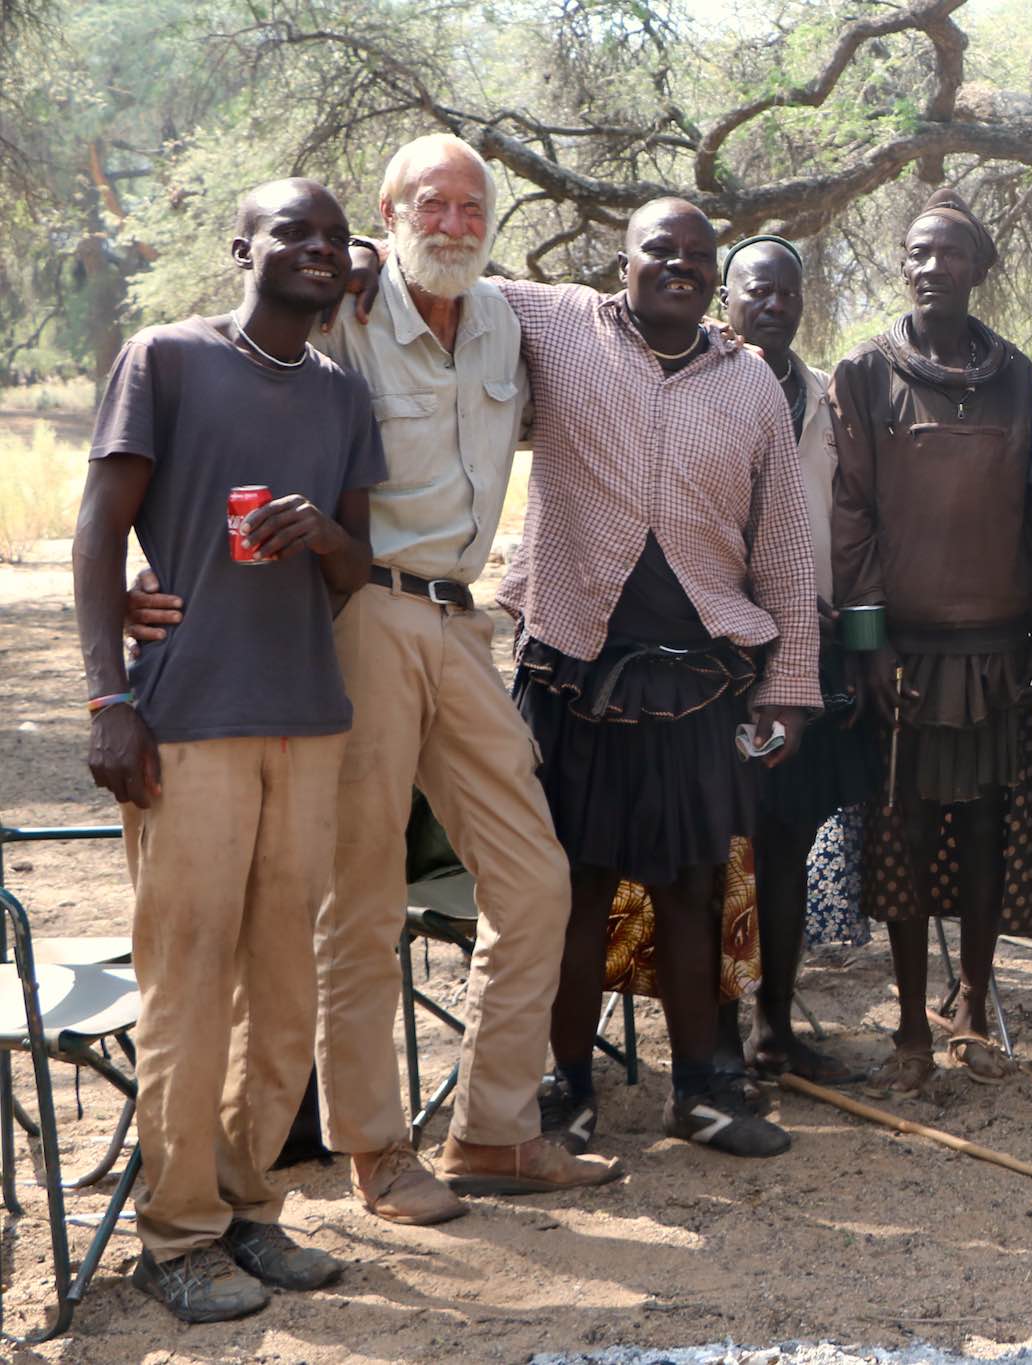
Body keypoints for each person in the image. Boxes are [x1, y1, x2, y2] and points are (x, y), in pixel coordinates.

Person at [117, 136, 621, 1224]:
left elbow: (611, 309)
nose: (449, 222)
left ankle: (492, 1131)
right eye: (426, 205)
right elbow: (226, 388)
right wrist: (133, 581)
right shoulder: (343, 304)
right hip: (359, 612)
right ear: (385, 221)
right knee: (363, 899)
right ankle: (376, 1151)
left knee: (536, 879)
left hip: (460, 618)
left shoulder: (506, 317)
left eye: (469, 205)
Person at [75, 178, 382, 1322]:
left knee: (282, 987)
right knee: (190, 983)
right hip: (187, 721)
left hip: (305, 717)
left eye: (333, 237)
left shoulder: (345, 395)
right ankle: (177, 1232)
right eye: (291, 231)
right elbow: (101, 531)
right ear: (242, 247)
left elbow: (359, 573)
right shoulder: (166, 359)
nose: (314, 248)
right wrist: (111, 698)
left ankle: (252, 1212)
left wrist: (328, 536)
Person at [481, 197, 819, 1159]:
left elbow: (787, 547)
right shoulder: (557, 323)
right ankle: (567, 1091)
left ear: (716, 275)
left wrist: (789, 686)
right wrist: (373, 253)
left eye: (697, 255)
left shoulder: (751, 384)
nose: (679, 264)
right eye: (658, 250)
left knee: (692, 892)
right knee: (573, 892)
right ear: (618, 260)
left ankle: (700, 1093)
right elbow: (448, 278)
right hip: (571, 667)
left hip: (699, 681)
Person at [826, 190, 1032, 1096]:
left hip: (995, 642)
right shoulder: (866, 373)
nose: (932, 267)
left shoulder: (1017, 375)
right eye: (919, 253)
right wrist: (870, 644)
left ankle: (975, 997)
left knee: (990, 829)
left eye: (951, 254)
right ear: (902, 265)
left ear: (980, 269)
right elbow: (851, 514)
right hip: (907, 652)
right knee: (905, 833)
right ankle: (910, 1028)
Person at [717, 233, 878, 1088]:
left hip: (806, 652)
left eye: (788, 293)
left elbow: (844, 522)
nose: (773, 305)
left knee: (784, 840)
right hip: (711, 655)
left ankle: (776, 1030)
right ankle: (713, 1042)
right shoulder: (696, 381)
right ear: (727, 297)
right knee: (715, 846)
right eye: (756, 290)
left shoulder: (825, 399)